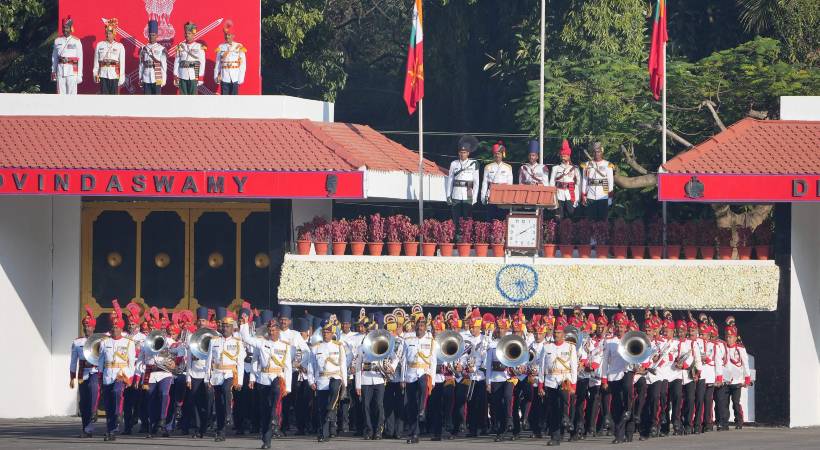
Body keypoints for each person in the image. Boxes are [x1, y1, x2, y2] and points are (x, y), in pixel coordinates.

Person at [238, 310, 292, 449]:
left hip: (277, 377)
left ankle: (274, 415)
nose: (272, 332)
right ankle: (266, 439)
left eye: (274, 330)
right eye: (270, 330)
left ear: (279, 331)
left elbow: (288, 367)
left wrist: (289, 387)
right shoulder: (262, 343)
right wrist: (244, 324)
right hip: (263, 379)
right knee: (265, 411)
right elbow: (247, 339)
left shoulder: (285, 346)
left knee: (275, 391)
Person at [205, 308, 245, 442]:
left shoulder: (237, 342)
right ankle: (221, 431)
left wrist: (239, 380)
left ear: (232, 328)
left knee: (226, 389)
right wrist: (207, 378)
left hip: (230, 374)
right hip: (216, 374)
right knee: (219, 403)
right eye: (223, 326)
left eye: (228, 326)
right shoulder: (214, 341)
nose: (225, 328)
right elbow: (209, 360)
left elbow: (240, 363)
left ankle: (229, 414)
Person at [97, 304, 136, 441]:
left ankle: (118, 414)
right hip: (108, 375)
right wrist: (100, 376)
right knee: (108, 404)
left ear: (121, 328)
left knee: (117, 392)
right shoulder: (104, 342)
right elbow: (101, 360)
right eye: (113, 327)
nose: (114, 329)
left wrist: (129, 377)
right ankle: (111, 430)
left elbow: (132, 363)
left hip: (121, 374)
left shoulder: (129, 343)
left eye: (117, 327)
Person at [307, 319, 347, 443]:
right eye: (324, 332)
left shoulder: (338, 346)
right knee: (321, 409)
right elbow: (311, 365)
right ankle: (323, 434)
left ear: (332, 333)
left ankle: (331, 408)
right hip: (321, 379)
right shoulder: (316, 347)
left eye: (328, 332)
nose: (326, 334)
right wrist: (311, 381)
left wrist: (345, 383)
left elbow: (343, 365)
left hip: (335, 377)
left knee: (334, 389)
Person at [539, 319, 578, 446]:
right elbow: (542, 367)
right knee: (554, 409)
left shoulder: (570, 347)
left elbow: (574, 367)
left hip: (564, 380)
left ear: (564, 334)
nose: (556, 334)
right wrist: (541, 384)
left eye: (559, 332)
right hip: (550, 381)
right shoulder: (546, 347)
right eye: (555, 332)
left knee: (565, 404)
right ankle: (555, 437)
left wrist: (573, 385)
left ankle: (566, 420)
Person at [402, 315, 436, 444]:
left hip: (423, 373)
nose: (420, 327)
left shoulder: (431, 341)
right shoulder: (408, 340)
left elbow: (433, 361)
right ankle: (414, 433)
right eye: (419, 325)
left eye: (423, 325)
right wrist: (402, 378)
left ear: (425, 327)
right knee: (411, 406)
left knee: (423, 384)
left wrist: (432, 381)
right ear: (415, 326)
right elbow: (404, 360)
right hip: (410, 375)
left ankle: (422, 408)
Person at [600, 312, 632, 444]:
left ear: (626, 328)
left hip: (627, 372)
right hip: (613, 375)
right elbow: (605, 361)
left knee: (627, 392)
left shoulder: (631, 340)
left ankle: (629, 411)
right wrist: (604, 379)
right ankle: (619, 435)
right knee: (616, 405)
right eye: (618, 326)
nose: (619, 328)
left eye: (622, 326)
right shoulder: (610, 342)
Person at [70, 306, 101, 438]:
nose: (86, 328)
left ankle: (94, 413)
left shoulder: (99, 341)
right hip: (82, 373)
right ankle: (86, 429)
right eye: (85, 326)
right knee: (84, 402)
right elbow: (73, 361)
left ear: (93, 328)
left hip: (94, 371)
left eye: (89, 326)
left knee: (93, 394)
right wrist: (71, 377)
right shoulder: (77, 342)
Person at [717, 317, 750, 431]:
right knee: (723, 403)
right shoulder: (722, 347)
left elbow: (745, 363)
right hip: (726, 381)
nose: (728, 339)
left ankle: (739, 421)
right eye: (726, 336)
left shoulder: (740, 349)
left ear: (735, 337)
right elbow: (718, 361)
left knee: (735, 403)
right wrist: (719, 377)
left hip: (736, 381)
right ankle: (724, 423)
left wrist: (747, 378)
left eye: (730, 337)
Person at [184, 307, 212, 439]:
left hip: (208, 375)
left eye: (203, 320)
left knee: (207, 402)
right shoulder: (191, 336)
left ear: (207, 322)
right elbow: (189, 358)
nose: (201, 323)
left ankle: (204, 426)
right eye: (199, 320)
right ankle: (196, 428)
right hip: (194, 374)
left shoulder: (213, 336)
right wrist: (188, 378)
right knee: (194, 401)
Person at [446, 135, 480, 239]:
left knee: (467, 217)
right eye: (461, 152)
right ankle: (457, 239)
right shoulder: (454, 164)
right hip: (456, 191)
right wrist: (448, 195)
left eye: (464, 152)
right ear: (458, 153)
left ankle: (467, 238)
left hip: (468, 190)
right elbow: (450, 180)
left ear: (468, 153)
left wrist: (474, 197)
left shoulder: (474, 163)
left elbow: (476, 182)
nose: (462, 154)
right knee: (456, 218)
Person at [580, 142, 614, 221]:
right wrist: (584, 195)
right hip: (590, 195)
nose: (596, 154)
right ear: (592, 153)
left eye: (598, 152)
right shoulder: (587, 165)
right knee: (591, 220)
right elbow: (585, 181)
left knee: (602, 220)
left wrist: (610, 198)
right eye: (595, 152)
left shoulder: (607, 164)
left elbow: (610, 182)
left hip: (603, 195)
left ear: (602, 152)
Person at [480, 141, 514, 220]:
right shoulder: (488, 167)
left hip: (503, 194)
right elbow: (485, 183)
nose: (497, 155)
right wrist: (482, 196)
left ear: (502, 155)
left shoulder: (508, 167)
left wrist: (509, 197)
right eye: (495, 153)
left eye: (499, 153)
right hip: (491, 194)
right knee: (490, 217)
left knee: (503, 217)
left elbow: (510, 184)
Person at [549, 139, 580, 220]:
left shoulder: (574, 168)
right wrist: (552, 196)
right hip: (559, 194)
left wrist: (577, 197)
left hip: (570, 193)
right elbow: (551, 183)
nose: (563, 158)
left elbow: (578, 184)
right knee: (559, 216)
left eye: (565, 156)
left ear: (569, 156)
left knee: (571, 213)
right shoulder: (556, 168)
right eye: (562, 156)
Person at [93, 19, 125, 95]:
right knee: (104, 97)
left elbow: (122, 63)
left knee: (114, 99)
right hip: (103, 74)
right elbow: (96, 62)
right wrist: (95, 74)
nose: (108, 35)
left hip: (114, 75)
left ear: (114, 34)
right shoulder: (100, 45)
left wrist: (121, 77)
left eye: (110, 33)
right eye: (107, 33)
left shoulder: (119, 46)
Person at [214, 20, 247, 95]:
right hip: (224, 77)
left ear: (233, 36)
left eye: (229, 35)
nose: (227, 37)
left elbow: (243, 64)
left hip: (235, 76)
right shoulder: (221, 47)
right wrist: (216, 76)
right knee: (224, 101)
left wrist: (241, 78)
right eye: (225, 35)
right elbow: (218, 63)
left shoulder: (239, 46)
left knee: (234, 101)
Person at [52, 16, 83, 95]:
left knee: (72, 95)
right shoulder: (57, 41)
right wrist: (53, 72)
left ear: (71, 28)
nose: (65, 30)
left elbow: (80, 59)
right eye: (63, 28)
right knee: (61, 95)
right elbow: (54, 58)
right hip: (60, 71)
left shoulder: (76, 41)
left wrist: (79, 75)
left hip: (72, 71)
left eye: (67, 28)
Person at [173, 22, 206, 95]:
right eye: (186, 33)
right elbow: (177, 61)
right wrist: (175, 75)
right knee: (183, 97)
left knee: (193, 97)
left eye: (189, 33)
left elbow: (202, 63)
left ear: (193, 34)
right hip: (182, 75)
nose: (187, 35)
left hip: (193, 75)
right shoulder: (180, 46)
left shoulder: (199, 47)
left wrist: (200, 77)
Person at [138, 20, 168, 95]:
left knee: (157, 101)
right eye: (150, 35)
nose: (152, 37)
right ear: (148, 35)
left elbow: (164, 66)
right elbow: (141, 65)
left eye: (153, 35)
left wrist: (163, 79)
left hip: (157, 77)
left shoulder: (161, 49)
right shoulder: (143, 48)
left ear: (157, 35)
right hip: (146, 77)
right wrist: (140, 77)